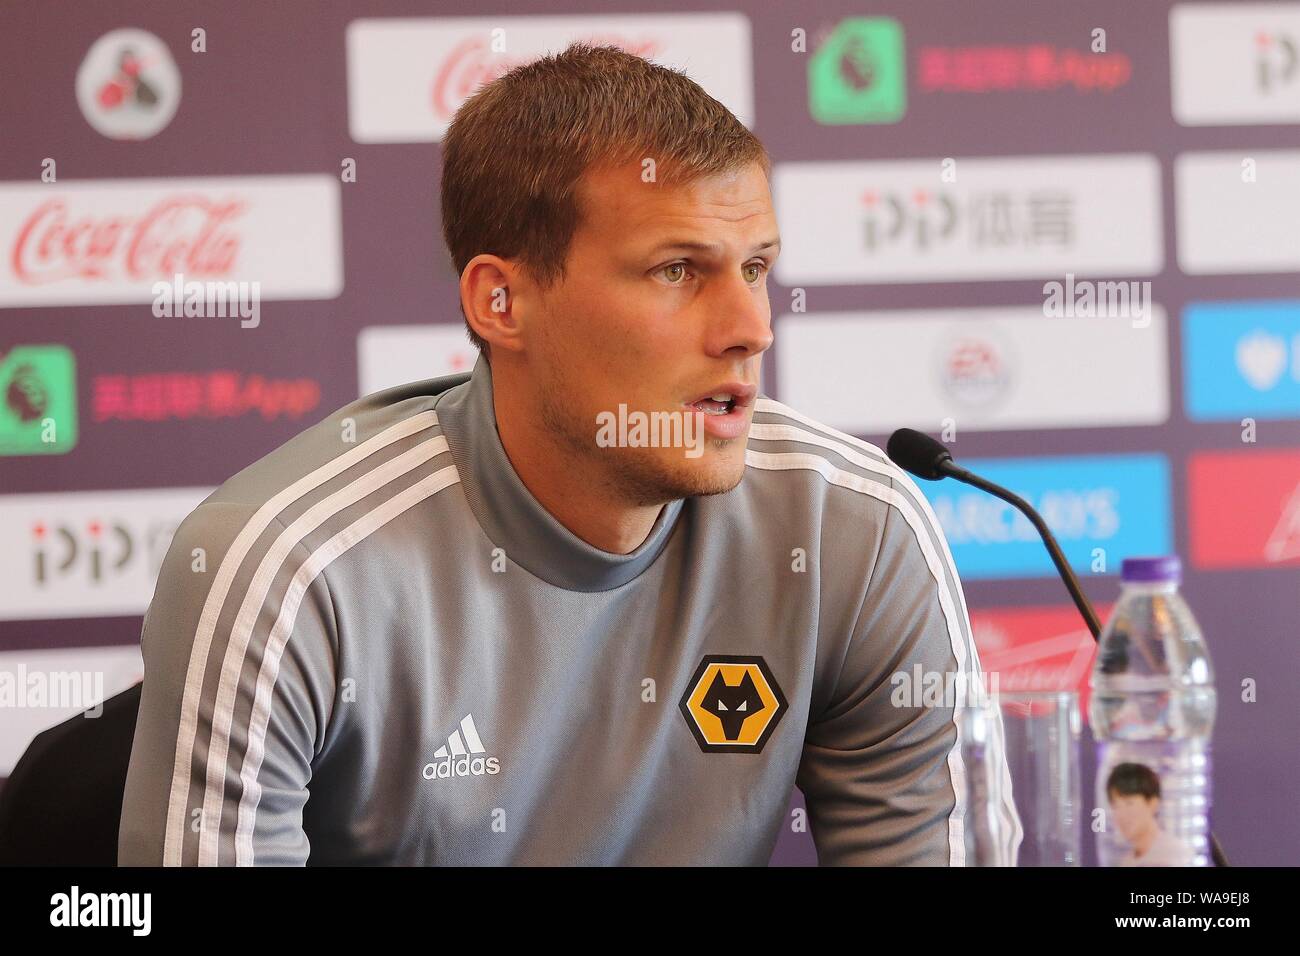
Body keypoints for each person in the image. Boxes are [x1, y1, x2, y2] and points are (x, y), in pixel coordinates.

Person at [118, 42, 1017, 866]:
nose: (752, 328)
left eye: (754, 267)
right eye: (677, 270)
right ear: (500, 302)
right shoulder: (285, 568)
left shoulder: (857, 533)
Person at [1107, 762, 1194, 867]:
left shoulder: (1176, 855)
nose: (1121, 814)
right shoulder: (1126, 862)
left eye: (1129, 803)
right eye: (1115, 806)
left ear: (1152, 804)